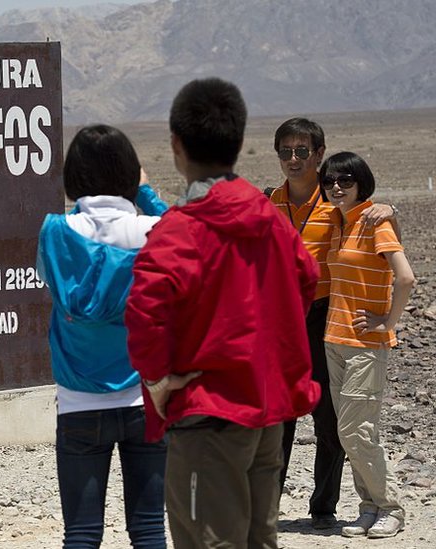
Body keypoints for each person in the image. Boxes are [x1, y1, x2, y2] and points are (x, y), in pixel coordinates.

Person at [124, 77, 321, 549]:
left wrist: (157, 381)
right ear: (238, 145)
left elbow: (144, 314)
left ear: (176, 144)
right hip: (266, 413)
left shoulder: (178, 231)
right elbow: (306, 278)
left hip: (207, 418)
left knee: (208, 540)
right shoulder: (269, 217)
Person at [37, 124, 170, 548]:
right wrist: (145, 193)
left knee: (81, 533)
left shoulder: (55, 232)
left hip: (77, 402)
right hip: (145, 398)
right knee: (149, 528)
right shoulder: (152, 232)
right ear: (129, 173)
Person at [270, 118, 399, 529]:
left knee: (329, 418)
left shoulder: (336, 203)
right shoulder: (271, 200)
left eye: (302, 151)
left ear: (319, 153)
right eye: (286, 151)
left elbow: (373, 226)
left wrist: (390, 208)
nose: (294, 159)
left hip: (324, 317)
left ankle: (322, 508)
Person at [318, 152, 415, 539]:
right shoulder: (339, 222)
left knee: (358, 431)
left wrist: (387, 323)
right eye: (330, 182)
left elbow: (405, 278)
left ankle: (391, 507)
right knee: (349, 433)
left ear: (361, 182)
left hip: (365, 344)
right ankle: (369, 506)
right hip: (334, 340)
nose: (336, 187)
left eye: (345, 180)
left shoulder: (377, 220)